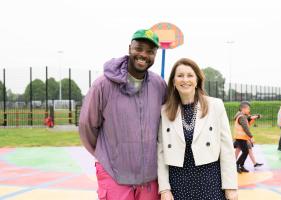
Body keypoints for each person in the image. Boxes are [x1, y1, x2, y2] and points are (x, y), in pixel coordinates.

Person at [79, 29, 167, 200]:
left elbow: (166, 124)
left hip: (149, 176)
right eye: (139, 48)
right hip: (114, 173)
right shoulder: (103, 84)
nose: (143, 55)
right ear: (129, 48)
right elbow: (86, 126)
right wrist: (106, 155)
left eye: (150, 51)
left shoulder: (159, 85)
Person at [157, 58, 238, 200]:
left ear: (197, 80)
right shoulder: (164, 111)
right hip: (178, 183)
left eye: (190, 75)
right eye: (180, 75)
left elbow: (227, 149)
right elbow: (161, 152)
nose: (185, 79)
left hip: (210, 181)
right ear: (174, 82)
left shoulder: (215, 106)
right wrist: (164, 189)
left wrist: (230, 186)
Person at [233, 102, 258, 173]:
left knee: (245, 151)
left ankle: (241, 165)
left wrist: (251, 118)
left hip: (241, 137)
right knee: (245, 151)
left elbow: (247, 121)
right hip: (240, 137)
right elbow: (245, 128)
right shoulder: (242, 117)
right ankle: (237, 164)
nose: (249, 110)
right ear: (243, 109)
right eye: (248, 109)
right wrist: (251, 137)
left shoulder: (242, 116)